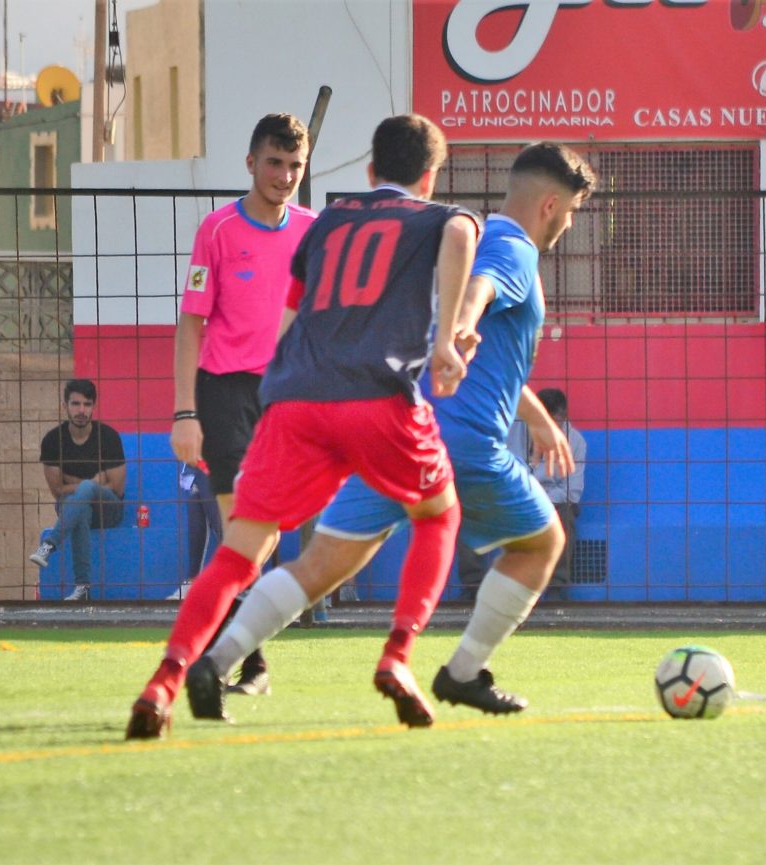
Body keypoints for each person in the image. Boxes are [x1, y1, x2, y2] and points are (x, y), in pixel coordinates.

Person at [186, 142, 596, 723]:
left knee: (321, 563)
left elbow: (477, 342)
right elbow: (480, 296)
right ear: (551, 205)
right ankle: (462, 673)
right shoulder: (514, 247)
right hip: (463, 445)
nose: (570, 224)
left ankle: (216, 661)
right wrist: (461, 328)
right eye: (573, 211)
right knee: (542, 543)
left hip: (397, 428)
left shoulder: (465, 241)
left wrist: (535, 416)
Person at [126, 113, 479, 739]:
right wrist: (449, 338)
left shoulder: (327, 223)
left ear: (370, 171)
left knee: (241, 548)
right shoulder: (436, 216)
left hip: (291, 399)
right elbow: (459, 234)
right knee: (438, 515)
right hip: (373, 396)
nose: (286, 175)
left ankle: (164, 682)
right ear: (429, 177)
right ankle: (397, 656)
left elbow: (292, 318)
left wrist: (280, 391)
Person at [169, 112, 316, 693]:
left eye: (295, 165)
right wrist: (185, 412)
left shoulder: (313, 230)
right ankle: (242, 661)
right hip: (226, 394)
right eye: (274, 163)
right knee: (242, 532)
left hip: (286, 398)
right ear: (251, 163)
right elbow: (191, 324)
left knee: (265, 538)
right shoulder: (218, 230)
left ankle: (224, 651)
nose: (284, 175)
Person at [30, 379, 127, 601]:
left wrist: (80, 484)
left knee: (86, 489)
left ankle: (49, 545)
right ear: (65, 406)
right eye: (75, 404)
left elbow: (117, 487)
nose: (82, 410)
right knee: (81, 505)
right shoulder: (53, 440)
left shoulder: (108, 437)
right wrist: (95, 481)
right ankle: (83, 588)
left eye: (87, 404)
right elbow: (57, 490)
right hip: (72, 508)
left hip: (108, 509)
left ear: (94, 407)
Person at [507, 387, 586, 601]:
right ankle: (475, 584)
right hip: (516, 494)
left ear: (563, 419)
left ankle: (556, 586)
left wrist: (542, 499)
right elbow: (504, 469)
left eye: (554, 422)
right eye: (543, 421)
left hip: (553, 499)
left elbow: (572, 491)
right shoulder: (513, 430)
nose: (548, 428)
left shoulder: (576, 442)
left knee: (566, 514)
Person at [166, 462, 222, 601]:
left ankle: (235, 584)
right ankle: (192, 582)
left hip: (220, 463)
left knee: (220, 524)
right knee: (196, 522)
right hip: (197, 464)